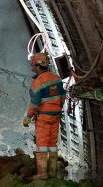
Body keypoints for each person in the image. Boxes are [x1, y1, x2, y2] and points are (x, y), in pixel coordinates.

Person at [23, 52, 64, 180]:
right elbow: (63, 96)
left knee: (42, 144)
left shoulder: (37, 83)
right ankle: (52, 173)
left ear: (38, 65)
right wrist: (57, 108)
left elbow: (35, 103)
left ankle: (42, 174)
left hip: (44, 117)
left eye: (32, 65)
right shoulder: (57, 78)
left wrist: (28, 117)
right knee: (52, 143)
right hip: (56, 116)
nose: (31, 68)